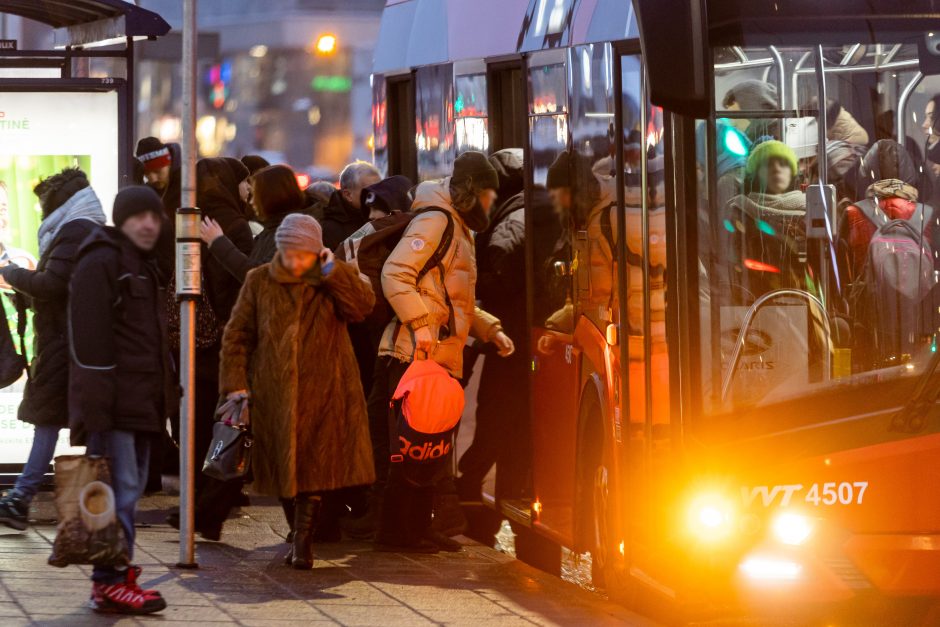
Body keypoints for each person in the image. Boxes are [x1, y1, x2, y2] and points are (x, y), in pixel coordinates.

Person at [371, 151, 515, 553]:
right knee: (409, 450)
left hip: (436, 357)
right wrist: (419, 326)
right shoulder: (437, 221)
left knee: (429, 449)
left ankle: (417, 528)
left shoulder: (459, 225)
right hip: (412, 356)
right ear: (471, 192)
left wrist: (491, 329)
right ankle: (396, 533)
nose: (490, 204)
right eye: (487, 195)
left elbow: (453, 300)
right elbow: (395, 274)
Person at [219, 214, 376, 569]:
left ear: (316, 252)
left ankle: (304, 540)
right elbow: (237, 335)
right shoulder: (259, 281)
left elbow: (362, 307)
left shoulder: (330, 281)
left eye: (302, 254)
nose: (294, 260)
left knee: (313, 466)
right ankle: (297, 531)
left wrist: (333, 272)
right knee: (280, 469)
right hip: (274, 392)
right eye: (288, 252)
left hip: (326, 388)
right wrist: (236, 386)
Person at [69, 185, 171, 614]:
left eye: (154, 216)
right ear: (120, 220)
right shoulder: (102, 262)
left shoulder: (140, 265)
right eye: (137, 217)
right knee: (117, 491)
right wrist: (98, 411)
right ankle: (109, 581)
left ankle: (116, 572)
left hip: (139, 402)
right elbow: (90, 344)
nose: (148, 224)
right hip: (114, 406)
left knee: (125, 492)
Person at [0, 168, 106, 530]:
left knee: (50, 422)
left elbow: (52, 285)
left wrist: (10, 272)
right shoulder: (81, 229)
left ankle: (27, 498)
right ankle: (35, 497)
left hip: (64, 346)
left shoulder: (73, 231)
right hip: (70, 344)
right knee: (61, 423)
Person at [165, 157, 254, 539]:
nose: (247, 190)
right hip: (225, 339)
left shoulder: (187, 220)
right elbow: (242, 286)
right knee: (234, 425)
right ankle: (208, 507)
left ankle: (206, 506)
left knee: (209, 423)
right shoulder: (234, 225)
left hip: (194, 341)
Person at [456, 150, 528, 508]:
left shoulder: (512, 219)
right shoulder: (521, 210)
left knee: (495, 411)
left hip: (509, 333)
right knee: (500, 414)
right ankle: (482, 483)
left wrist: (468, 283)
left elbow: (500, 278)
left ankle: (469, 482)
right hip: (509, 331)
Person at [724, 139, 808, 300]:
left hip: (805, 301)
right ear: (755, 173)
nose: (776, 169)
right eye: (768, 165)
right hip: (753, 304)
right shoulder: (739, 211)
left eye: (783, 164)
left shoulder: (810, 211)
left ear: (792, 171)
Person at [202, 164, 308, 283]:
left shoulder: (291, 234)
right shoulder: (273, 230)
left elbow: (260, 276)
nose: (252, 202)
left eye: (256, 195)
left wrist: (219, 242)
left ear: (271, 195)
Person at [135, 137, 181, 279]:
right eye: (147, 174)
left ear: (169, 163)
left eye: (158, 171)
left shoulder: (186, 188)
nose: (153, 178)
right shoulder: (147, 192)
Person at [321, 161, 381, 250]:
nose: (377, 195)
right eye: (369, 192)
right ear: (348, 195)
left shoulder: (382, 215)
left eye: (380, 189)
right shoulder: (329, 230)